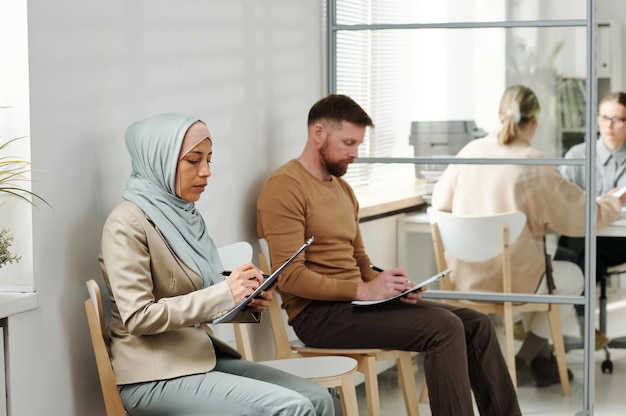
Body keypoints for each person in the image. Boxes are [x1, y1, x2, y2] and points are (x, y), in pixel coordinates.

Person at [257, 94, 522, 416]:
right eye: (349, 143)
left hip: (354, 305)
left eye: (358, 144)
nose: (355, 154)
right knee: (445, 328)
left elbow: (360, 262)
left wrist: (391, 285)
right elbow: (289, 277)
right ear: (318, 134)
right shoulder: (284, 186)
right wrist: (364, 290)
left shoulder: (342, 190)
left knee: (476, 323)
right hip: (317, 315)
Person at [99, 113, 334, 416]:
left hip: (199, 356)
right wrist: (225, 292)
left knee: (317, 397)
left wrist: (246, 299)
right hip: (153, 376)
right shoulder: (126, 223)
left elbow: (204, 293)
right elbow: (138, 317)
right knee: (292, 408)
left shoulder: (186, 216)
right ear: (160, 159)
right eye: (193, 161)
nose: (206, 172)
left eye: (209, 160)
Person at [431, 85, 625, 388]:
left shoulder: (469, 152)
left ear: (499, 115)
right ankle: (528, 356)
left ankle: (538, 358)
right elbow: (582, 217)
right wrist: (612, 202)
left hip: (463, 279)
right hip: (513, 282)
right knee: (572, 275)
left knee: (557, 268)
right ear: (534, 122)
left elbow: (439, 205)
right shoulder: (535, 163)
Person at [556, 92, 626, 332]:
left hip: (619, 240)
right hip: (581, 235)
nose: (609, 124)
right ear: (597, 119)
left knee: (586, 252)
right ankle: (571, 328)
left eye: (618, 119)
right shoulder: (578, 156)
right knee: (573, 248)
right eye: (605, 117)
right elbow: (562, 199)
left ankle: (573, 328)